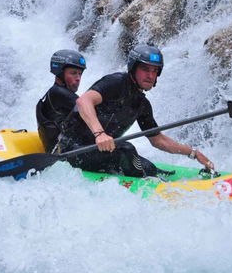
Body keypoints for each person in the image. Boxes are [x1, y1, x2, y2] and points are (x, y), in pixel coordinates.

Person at [58, 44, 215, 178]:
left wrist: (193, 153)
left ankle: (152, 177)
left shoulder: (142, 104)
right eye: (145, 69)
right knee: (127, 149)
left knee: (150, 168)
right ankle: (149, 184)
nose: (150, 75)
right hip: (73, 150)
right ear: (133, 69)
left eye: (155, 71)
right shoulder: (116, 82)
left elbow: (158, 139)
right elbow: (83, 101)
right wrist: (100, 134)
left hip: (100, 152)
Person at [36, 49, 87, 153]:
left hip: (66, 147)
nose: (78, 78)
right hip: (63, 152)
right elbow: (91, 110)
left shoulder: (54, 92)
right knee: (125, 148)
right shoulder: (59, 93)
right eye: (73, 73)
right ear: (60, 73)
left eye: (80, 74)